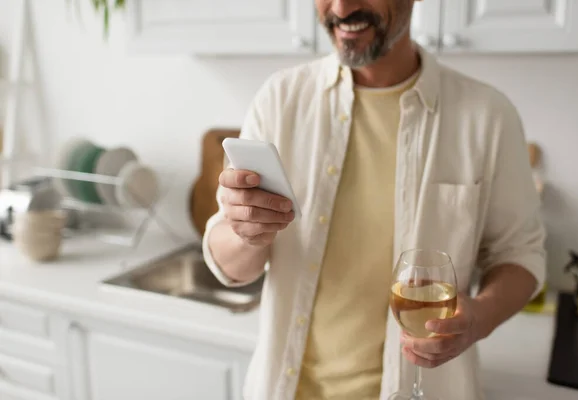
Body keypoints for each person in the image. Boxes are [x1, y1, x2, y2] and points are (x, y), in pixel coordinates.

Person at [202, 0, 547, 399]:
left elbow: (521, 255)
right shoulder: (281, 99)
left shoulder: (487, 116)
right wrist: (245, 231)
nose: (343, 7)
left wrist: (480, 318)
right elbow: (233, 266)